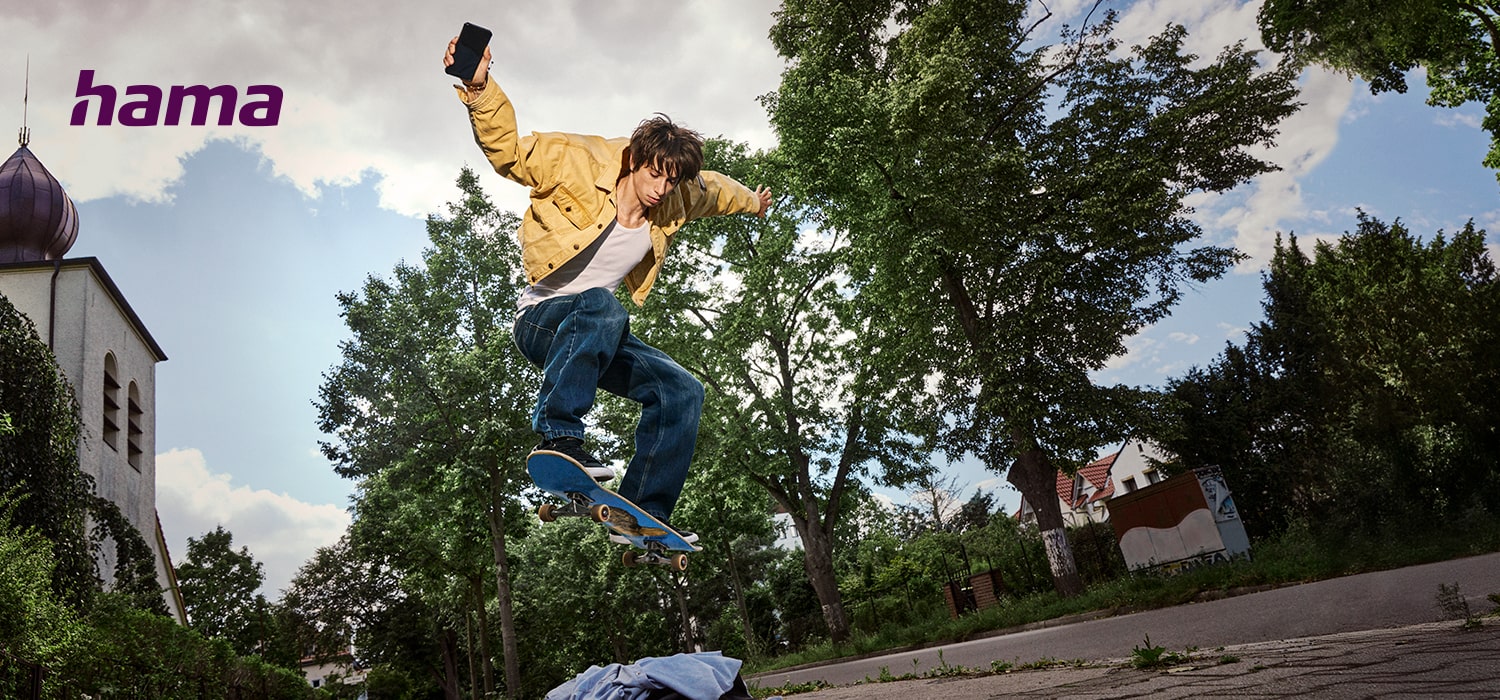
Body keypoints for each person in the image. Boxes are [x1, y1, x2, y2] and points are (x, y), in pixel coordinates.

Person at [444, 39, 772, 544]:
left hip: (597, 336)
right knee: (601, 303)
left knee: (681, 390)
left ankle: (642, 513)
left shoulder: (678, 192)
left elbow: (715, 190)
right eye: (653, 176)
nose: (660, 190)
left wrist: (753, 203)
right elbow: (508, 151)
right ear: (634, 161)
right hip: (541, 322)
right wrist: (479, 85)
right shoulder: (577, 160)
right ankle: (560, 436)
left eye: (671, 181)